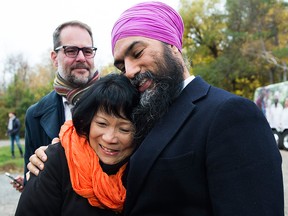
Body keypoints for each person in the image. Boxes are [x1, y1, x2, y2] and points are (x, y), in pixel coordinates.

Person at [28, 1, 284, 215]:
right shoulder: (145, 111)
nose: (129, 71)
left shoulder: (230, 114)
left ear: (173, 46)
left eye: (137, 53)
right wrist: (54, 154)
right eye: (121, 65)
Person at [15, 73, 139, 216]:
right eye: (101, 124)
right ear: (88, 122)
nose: (110, 138)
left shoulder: (143, 168)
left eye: (124, 129)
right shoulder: (54, 162)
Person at [11, 20, 99, 192]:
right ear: (54, 58)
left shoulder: (118, 101)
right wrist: (31, 181)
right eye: (71, 50)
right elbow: (32, 181)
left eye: (87, 51)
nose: (81, 57)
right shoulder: (35, 114)